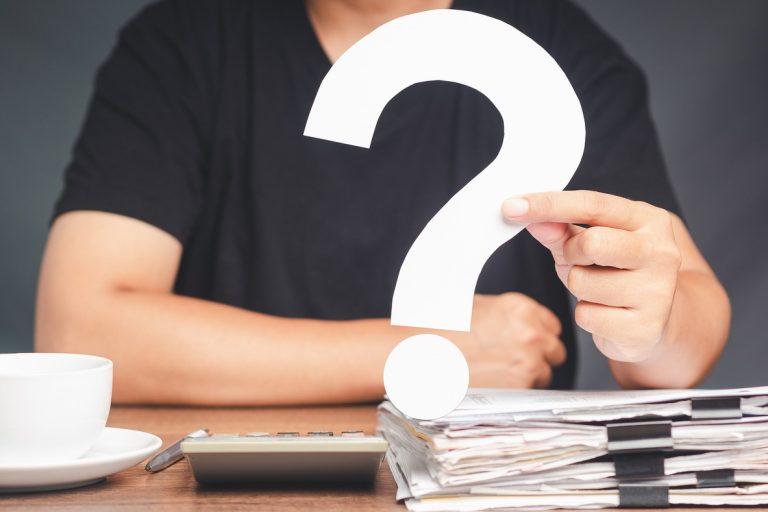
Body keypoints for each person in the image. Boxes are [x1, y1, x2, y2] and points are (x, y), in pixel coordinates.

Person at [35, 0, 730, 405]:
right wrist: (426, 353)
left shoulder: (560, 51)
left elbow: (675, 347)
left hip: (483, 486)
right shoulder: (184, 41)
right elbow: (83, 332)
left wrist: (652, 323)